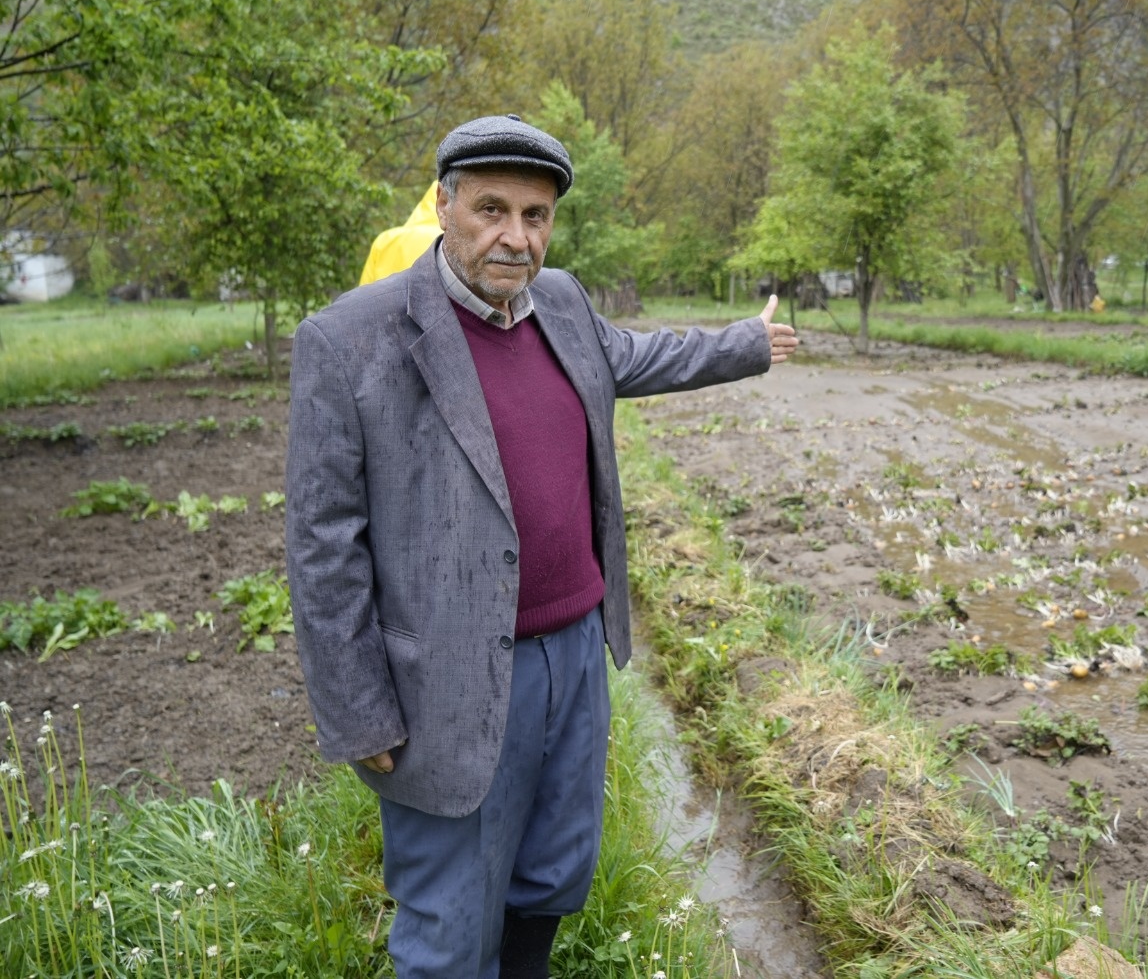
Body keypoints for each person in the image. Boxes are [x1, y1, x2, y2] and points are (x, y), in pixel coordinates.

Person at [285, 114, 798, 979]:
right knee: (449, 919)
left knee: (551, 876)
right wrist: (356, 705)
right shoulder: (352, 339)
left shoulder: (560, 304)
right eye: (491, 209)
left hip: (573, 656)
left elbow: (638, 355)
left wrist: (747, 342)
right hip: (446, 677)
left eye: (536, 215)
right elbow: (321, 539)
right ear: (443, 206)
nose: (514, 237)